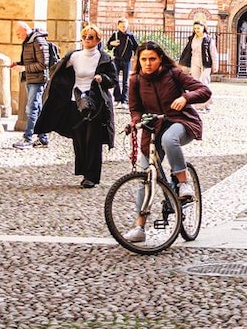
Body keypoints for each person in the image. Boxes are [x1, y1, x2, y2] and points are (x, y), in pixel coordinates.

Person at [124, 42, 211, 244]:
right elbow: (135, 108)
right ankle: (139, 227)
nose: (148, 63)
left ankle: (183, 183)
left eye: (152, 59)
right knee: (146, 176)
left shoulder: (174, 73)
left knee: (168, 139)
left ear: (160, 59)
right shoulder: (135, 80)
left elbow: (204, 91)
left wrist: (186, 98)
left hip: (181, 122)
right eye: (144, 59)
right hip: (153, 127)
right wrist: (135, 121)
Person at [36, 27, 118, 186]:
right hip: (76, 102)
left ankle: (91, 177)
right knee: (79, 138)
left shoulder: (104, 58)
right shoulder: (74, 56)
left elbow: (113, 80)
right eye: (84, 36)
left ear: (98, 40)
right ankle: (83, 170)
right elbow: (57, 71)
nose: (87, 39)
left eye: (91, 37)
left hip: (95, 104)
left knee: (93, 139)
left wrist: (103, 78)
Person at [13, 21, 58, 148]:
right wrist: (18, 64)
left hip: (38, 79)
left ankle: (28, 138)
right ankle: (43, 138)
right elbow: (29, 60)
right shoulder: (28, 41)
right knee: (37, 108)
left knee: (31, 108)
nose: (18, 37)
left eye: (18, 34)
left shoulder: (38, 41)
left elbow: (43, 64)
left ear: (25, 30)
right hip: (30, 78)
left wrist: (24, 68)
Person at [106, 18, 140, 106]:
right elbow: (108, 46)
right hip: (116, 60)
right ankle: (117, 98)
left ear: (127, 26)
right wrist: (112, 44)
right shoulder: (115, 35)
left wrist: (135, 56)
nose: (123, 28)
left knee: (125, 81)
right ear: (118, 26)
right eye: (121, 26)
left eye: (124, 26)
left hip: (127, 60)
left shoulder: (130, 36)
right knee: (115, 79)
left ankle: (124, 100)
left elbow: (137, 48)